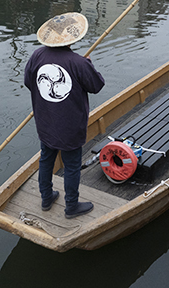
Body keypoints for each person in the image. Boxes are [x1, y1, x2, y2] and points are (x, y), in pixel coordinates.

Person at [24, 12, 105, 218]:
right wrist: (89, 65)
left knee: (46, 159)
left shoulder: (37, 56)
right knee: (71, 165)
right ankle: (71, 206)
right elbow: (96, 85)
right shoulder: (78, 62)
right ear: (72, 38)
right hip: (69, 125)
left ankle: (46, 198)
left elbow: (28, 82)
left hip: (45, 121)